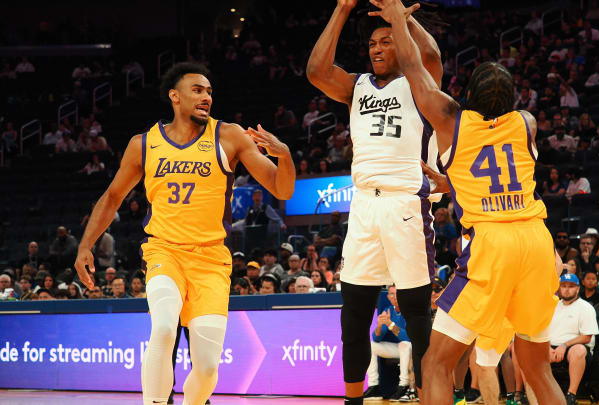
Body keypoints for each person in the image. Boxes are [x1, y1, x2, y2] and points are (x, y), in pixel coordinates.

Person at [74, 62, 295, 405]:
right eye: (197, 90)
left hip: (211, 259)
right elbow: (113, 196)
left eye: (209, 91)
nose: (206, 96)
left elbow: (281, 190)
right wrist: (85, 245)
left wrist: (285, 156)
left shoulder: (230, 135)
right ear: (174, 97)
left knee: (207, 369)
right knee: (163, 327)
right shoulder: (143, 144)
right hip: (165, 251)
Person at [375, 1, 564, 403]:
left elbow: (415, 70)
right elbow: (497, 166)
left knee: (436, 365)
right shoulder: (525, 123)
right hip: (536, 242)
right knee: (537, 367)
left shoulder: (451, 121)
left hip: (491, 246)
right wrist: (454, 182)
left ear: (469, 95)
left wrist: (397, 19)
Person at [307, 1, 444, 402]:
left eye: (386, 41)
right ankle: (353, 399)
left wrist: (401, 17)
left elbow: (432, 55)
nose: (377, 48)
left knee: (417, 312)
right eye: (372, 43)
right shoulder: (357, 86)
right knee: (353, 312)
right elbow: (316, 71)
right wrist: (341, 8)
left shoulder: (420, 84)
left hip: (405, 204)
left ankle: (429, 396)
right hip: (364, 205)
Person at [548, 273, 599, 405]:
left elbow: (586, 337)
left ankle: (571, 395)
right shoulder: (552, 306)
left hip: (575, 347)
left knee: (578, 350)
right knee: (527, 350)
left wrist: (564, 346)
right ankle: (525, 394)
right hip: (552, 347)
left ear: (577, 288)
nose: (566, 289)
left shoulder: (586, 307)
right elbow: (544, 332)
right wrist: (547, 347)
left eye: (571, 286)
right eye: (563, 286)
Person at [364, 285, 415, 401]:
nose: (395, 297)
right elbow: (376, 338)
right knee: (370, 346)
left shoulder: (408, 310)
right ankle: (374, 386)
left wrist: (390, 324)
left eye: (397, 294)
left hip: (410, 349)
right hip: (395, 348)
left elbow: (407, 337)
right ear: (388, 297)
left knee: (405, 344)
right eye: (392, 294)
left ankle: (404, 385)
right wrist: (380, 325)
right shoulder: (387, 310)